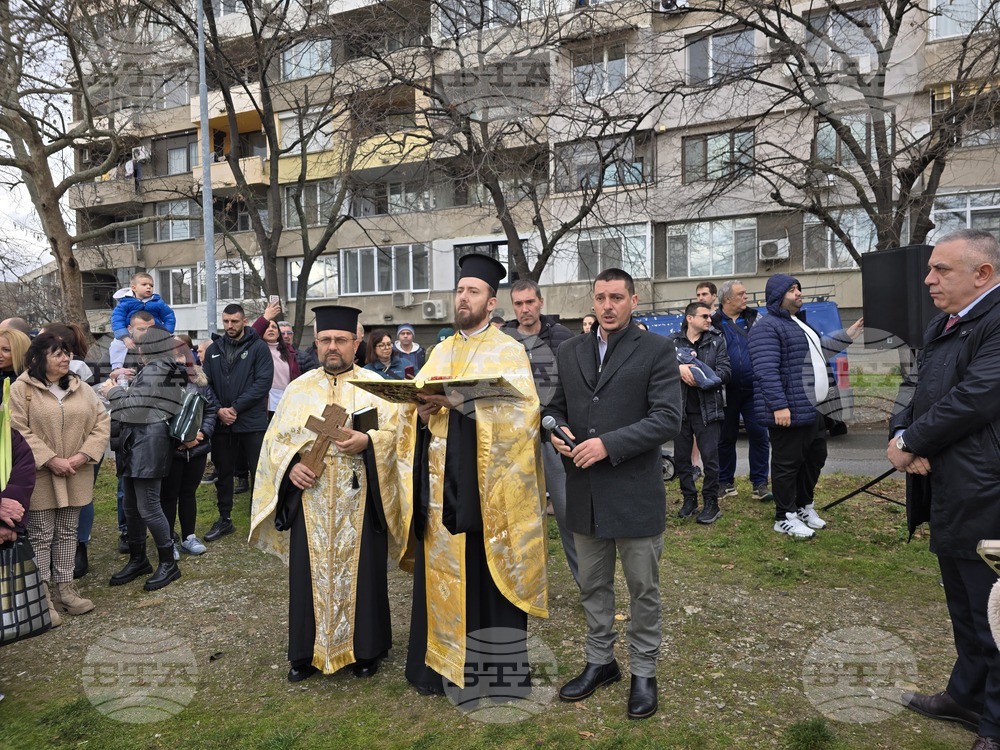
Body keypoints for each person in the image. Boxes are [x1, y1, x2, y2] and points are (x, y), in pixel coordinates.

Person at [400, 253, 547, 699]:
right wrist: (422, 412)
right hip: (439, 489)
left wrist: (462, 404)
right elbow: (418, 408)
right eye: (460, 290)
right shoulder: (441, 351)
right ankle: (438, 668)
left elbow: (524, 415)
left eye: (473, 292)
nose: (464, 298)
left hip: (485, 492)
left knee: (484, 577)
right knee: (441, 575)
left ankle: (489, 675)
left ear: (491, 301)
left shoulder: (508, 350)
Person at [544, 267, 681, 720]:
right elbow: (556, 407)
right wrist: (556, 432)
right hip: (585, 492)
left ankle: (644, 670)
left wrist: (608, 444)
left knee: (643, 589)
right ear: (593, 299)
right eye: (601, 297)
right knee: (593, 585)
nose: (607, 305)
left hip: (635, 492)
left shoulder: (657, 349)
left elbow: (667, 418)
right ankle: (601, 661)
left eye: (616, 297)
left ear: (633, 301)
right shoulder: (570, 349)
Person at [886, 229, 1000, 750]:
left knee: (993, 610)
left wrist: (912, 440)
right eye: (931, 268)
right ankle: (965, 696)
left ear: (983, 274)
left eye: (942, 270)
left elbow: (976, 397)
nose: (929, 279)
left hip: (987, 492)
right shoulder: (943, 324)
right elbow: (915, 386)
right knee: (963, 604)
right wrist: (898, 434)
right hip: (949, 488)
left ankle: (994, 723)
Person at [250, 305, 406, 683]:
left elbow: (400, 439)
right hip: (312, 497)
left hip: (360, 494)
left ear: (356, 343)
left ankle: (366, 650)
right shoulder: (298, 389)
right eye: (325, 340)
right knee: (309, 575)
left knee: (364, 574)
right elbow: (275, 444)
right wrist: (292, 466)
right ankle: (306, 652)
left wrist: (368, 441)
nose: (332, 347)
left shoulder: (375, 386)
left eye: (340, 340)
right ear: (316, 344)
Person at [748, 275, 862, 539]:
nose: (799, 293)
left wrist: (847, 336)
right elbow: (765, 370)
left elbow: (818, 352)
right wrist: (779, 405)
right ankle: (784, 517)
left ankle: (802, 506)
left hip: (813, 408)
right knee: (787, 465)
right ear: (778, 296)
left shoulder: (798, 323)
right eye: (792, 289)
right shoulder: (767, 327)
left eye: (798, 288)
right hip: (789, 410)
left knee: (814, 459)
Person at [10, 332, 110, 625]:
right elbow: (17, 430)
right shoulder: (21, 389)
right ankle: (42, 599)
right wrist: (50, 459)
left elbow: (102, 423)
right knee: (41, 535)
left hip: (77, 471)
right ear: (37, 358)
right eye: (57, 354)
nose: (65, 358)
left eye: (67, 353)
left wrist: (83, 456)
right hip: (40, 474)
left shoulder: (82, 388)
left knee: (68, 532)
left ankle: (65, 591)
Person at [500, 279, 579, 585]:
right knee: (517, 515)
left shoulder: (562, 337)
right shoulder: (502, 339)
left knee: (568, 513)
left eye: (530, 302)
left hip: (554, 435)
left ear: (540, 302)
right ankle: (520, 585)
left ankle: (587, 585)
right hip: (515, 439)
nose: (525, 309)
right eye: (518, 303)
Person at [104, 326, 187, 590]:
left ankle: (168, 563)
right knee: (131, 505)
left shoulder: (157, 369)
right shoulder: (163, 368)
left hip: (147, 443)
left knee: (148, 506)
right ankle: (138, 559)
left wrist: (112, 391)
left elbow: (133, 408)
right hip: (139, 443)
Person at [202, 304, 273, 542]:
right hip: (222, 422)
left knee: (257, 470)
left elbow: (263, 383)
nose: (230, 326)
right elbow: (205, 384)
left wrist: (235, 408)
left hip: (252, 422)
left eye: (234, 321)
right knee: (223, 472)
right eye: (226, 321)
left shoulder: (259, 347)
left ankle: (260, 519)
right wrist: (219, 410)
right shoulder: (214, 349)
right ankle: (225, 519)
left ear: (245, 322)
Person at [711, 280, 772, 501]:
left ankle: (760, 484)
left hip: (754, 389)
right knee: (725, 437)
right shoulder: (712, 322)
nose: (746, 297)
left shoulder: (755, 319)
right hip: (725, 390)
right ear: (727, 299)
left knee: (759, 434)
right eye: (741, 294)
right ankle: (725, 482)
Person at [671, 302, 730, 524]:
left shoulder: (716, 340)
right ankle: (689, 499)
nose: (709, 319)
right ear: (690, 318)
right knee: (681, 459)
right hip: (680, 410)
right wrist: (677, 369)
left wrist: (701, 377)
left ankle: (711, 503)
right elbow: (658, 370)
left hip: (708, 410)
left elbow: (726, 371)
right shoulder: (673, 342)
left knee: (710, 459)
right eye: (704, 316)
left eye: (709, 316)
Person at [159, 339, 219, 557]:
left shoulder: (200, 382)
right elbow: (157, 416)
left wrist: (201, 434)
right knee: (168, 496)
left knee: (188, 494)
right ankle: (168, 541)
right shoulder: (159, 383)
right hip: (172, 450)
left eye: (181, 354)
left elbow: (211, 410)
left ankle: (188, 537)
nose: (179, 359)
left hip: (197, 449)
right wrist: (180, 440)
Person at [251, 300, 302, 418]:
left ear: (279, 334)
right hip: (266, 400)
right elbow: (250, 334)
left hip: (287, 399)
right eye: (267, 327)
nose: (270, 329)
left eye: (274, 327)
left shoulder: (290, 352)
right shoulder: (256, 349)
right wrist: (266, 317)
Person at [111, 271, 176, 348]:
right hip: (130, 337)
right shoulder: (125, 303)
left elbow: (169, 316)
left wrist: (166, 333)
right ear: (134, 288)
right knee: (116, 346)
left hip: (153, 337)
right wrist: (124, 337)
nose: (149, 287)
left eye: (151, 285)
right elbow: (117, 319)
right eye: (144, 284)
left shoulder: (157, 302)